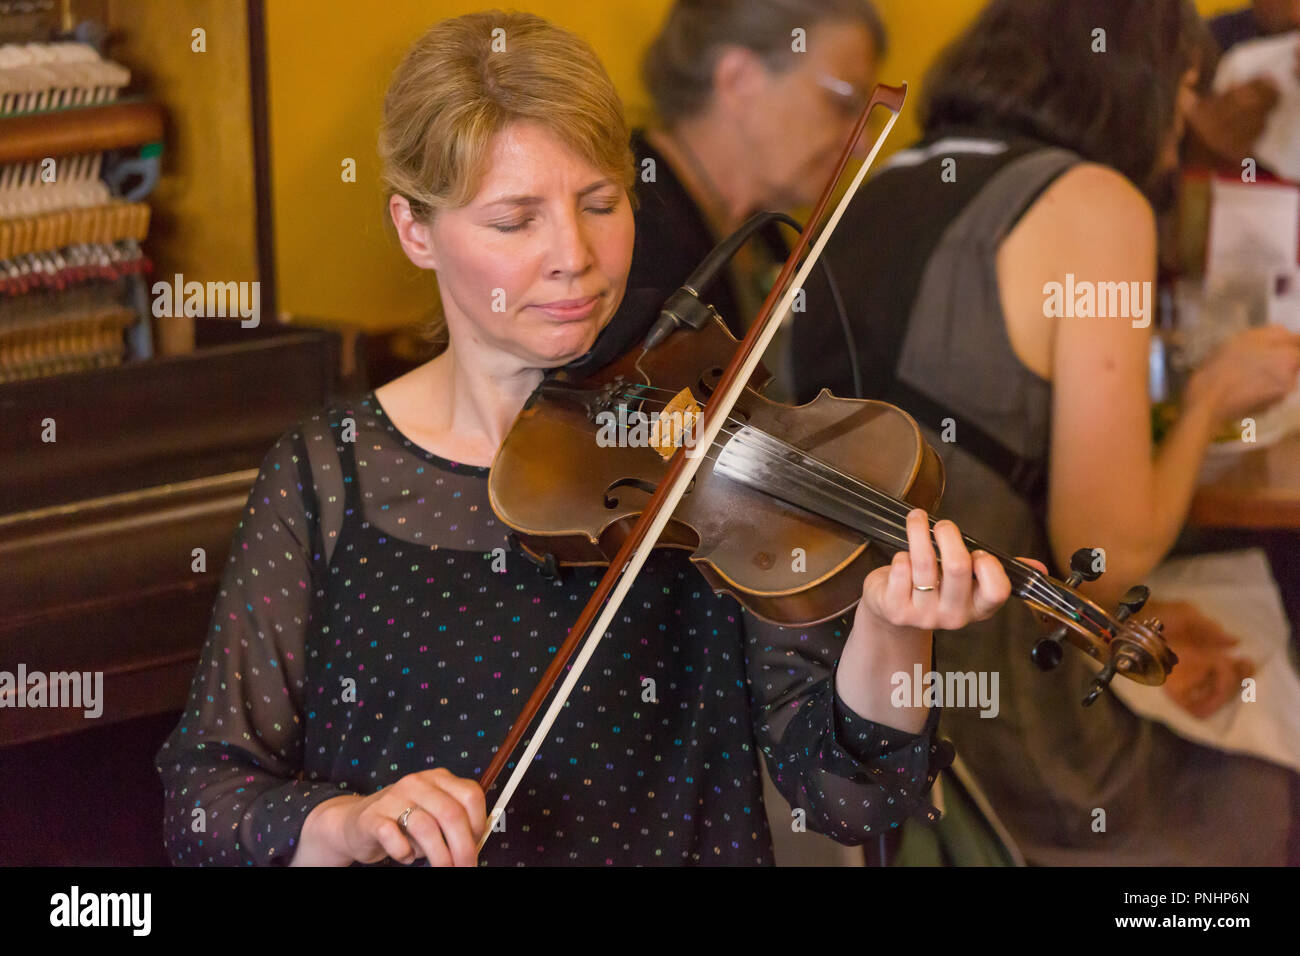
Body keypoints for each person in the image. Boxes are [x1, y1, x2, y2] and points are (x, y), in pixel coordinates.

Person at [155, 10, 1022, 867]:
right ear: (415, 230)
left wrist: (894, 632)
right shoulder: (328, 473)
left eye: (600, 202)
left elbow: (848, 798)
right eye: (514, 221)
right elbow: (203, 799)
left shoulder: (706, 448)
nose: (575, 254)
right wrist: (344, 824)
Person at [792, 0, 1300, 865]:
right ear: (1131, 84)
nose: (1181, 129)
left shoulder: (881, 183)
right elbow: (1104, 555)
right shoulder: (1095, 201)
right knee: (1269, 799)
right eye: (1182, 89)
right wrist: (1214, 392)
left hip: (848, 710)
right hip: (1001, 747)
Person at [617, 0, 886, 401]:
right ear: (738, 80)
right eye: (844, 103)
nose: (862, 144)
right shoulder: (625, 221)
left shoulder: (765, 237)